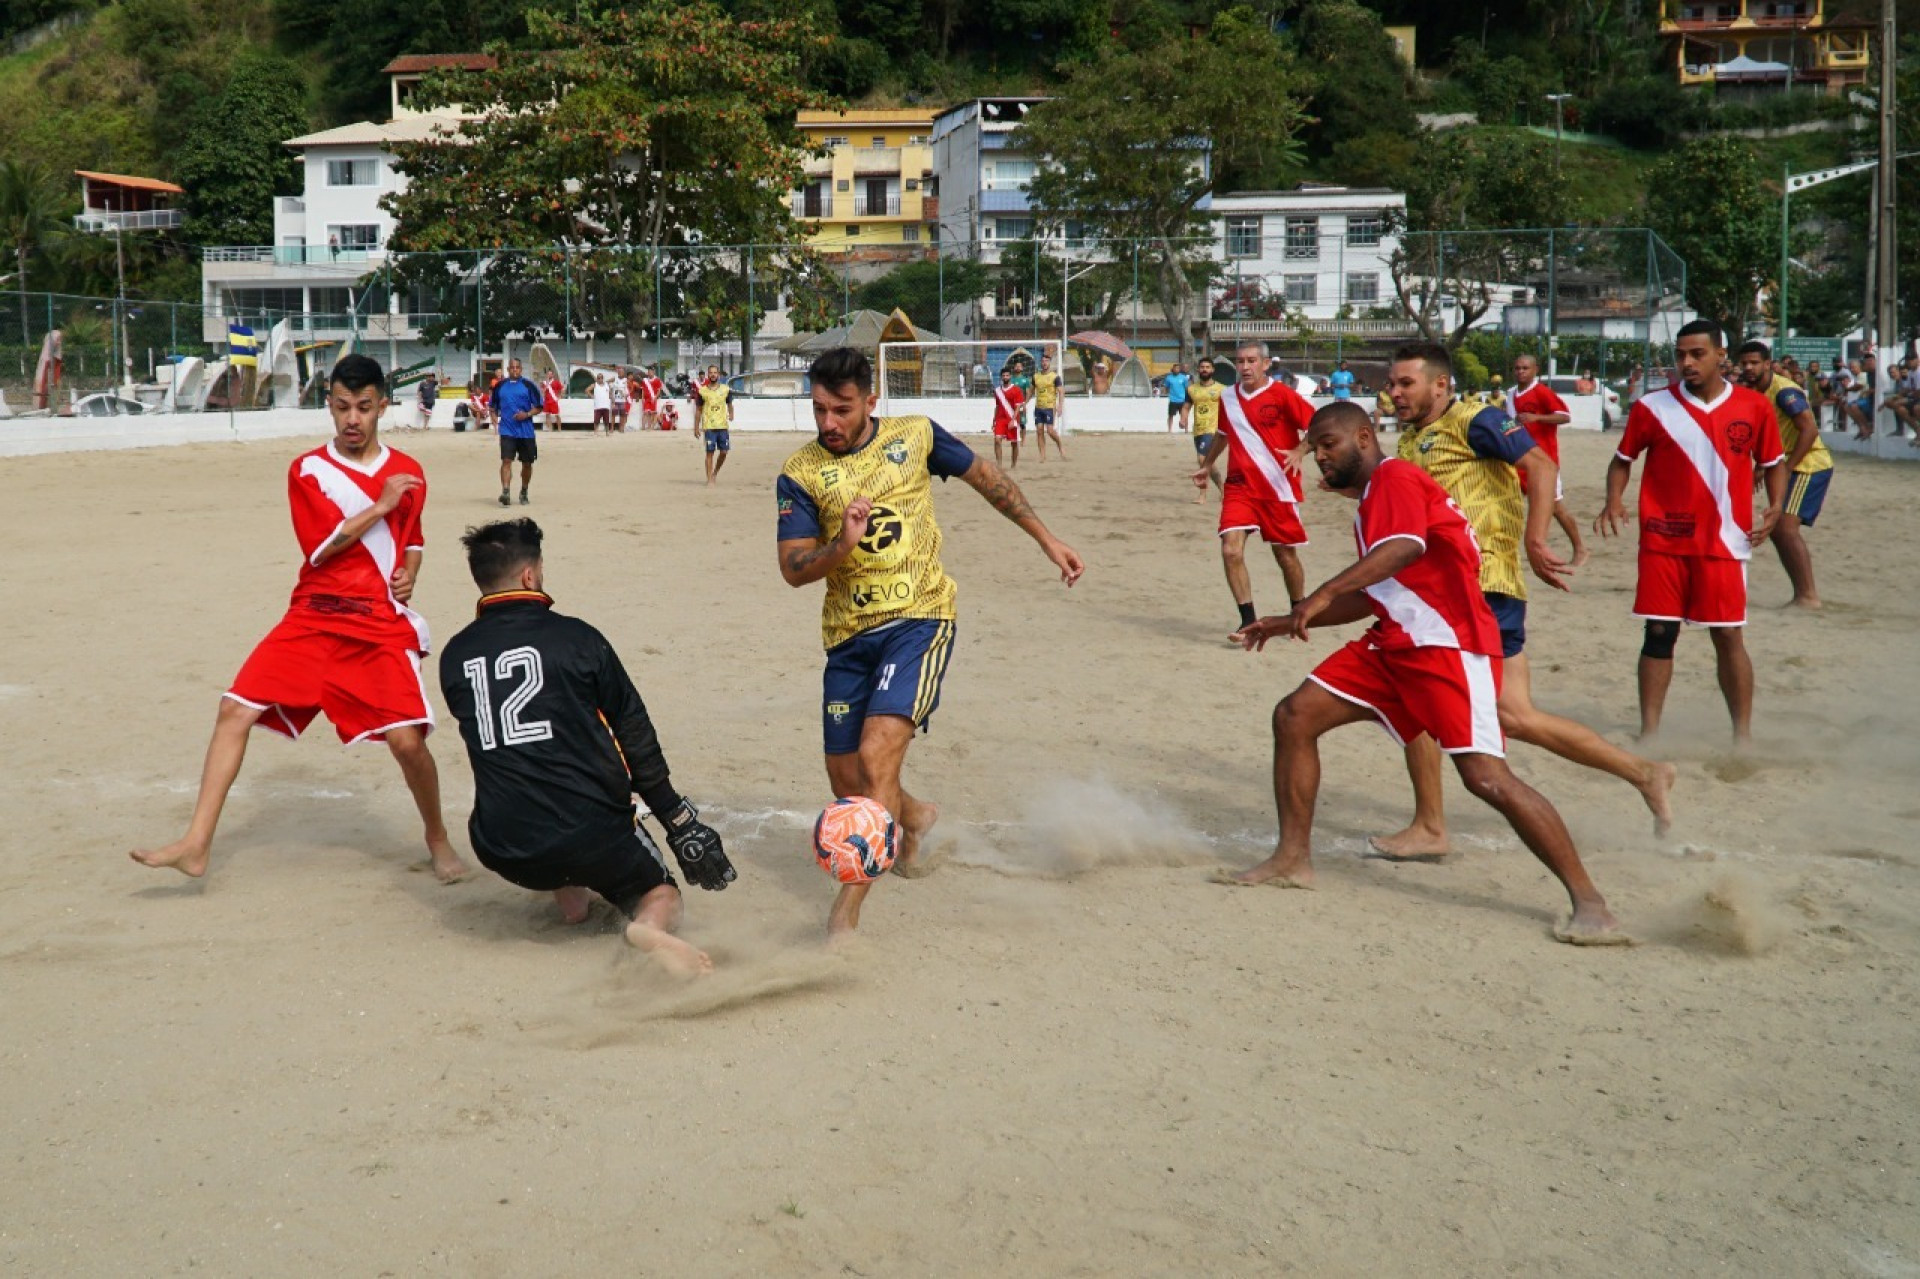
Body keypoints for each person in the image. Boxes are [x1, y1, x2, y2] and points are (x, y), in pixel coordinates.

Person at [1217, 401, 1626, 946]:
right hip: (1393, 643)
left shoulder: (1397, 478)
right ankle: (1292, 859)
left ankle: (1591, 903)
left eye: (1327, 445)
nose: (1318, 457)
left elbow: (1404, 549)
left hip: (1446, 645)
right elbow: (1376, 592)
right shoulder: (1373, 501)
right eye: (1314, 448)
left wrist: (1320, 594)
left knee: (1486, 779)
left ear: (1365, 438)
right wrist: (1291, 619)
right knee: (1295, 715)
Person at [776, 347, 1084, 937]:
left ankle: (845, 916)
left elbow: (987, 478)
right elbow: (792, 568)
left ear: (871, 402)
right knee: (848, 783)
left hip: (920, 618)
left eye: (841, 410)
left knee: (874, 757)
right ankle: (915, 818)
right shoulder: (801, 472)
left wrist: (1046, 539)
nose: (828, 424)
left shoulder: (914, 436)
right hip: (846, 636)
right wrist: (841, 545)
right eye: (819, 410)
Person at [130, 355, 470, 885]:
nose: (351, 419)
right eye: (340, 408)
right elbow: (323, 549)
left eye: (362, 407)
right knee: (233, 709)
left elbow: (415, 537)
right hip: (314, 612)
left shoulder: (409, 472)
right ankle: (195, 845)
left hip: (380, 620)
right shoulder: (308, 470)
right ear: (329, 407)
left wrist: (410, 569)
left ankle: (437, 839)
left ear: (383, 405)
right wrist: (379, 507)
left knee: (407, 741)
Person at [1372, 340, 1675, 860]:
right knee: (1514, 715)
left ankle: (1430, 825)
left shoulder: (1476, 419)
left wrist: (1536, 538)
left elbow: (1540, 467)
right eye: (1392, 384)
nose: (1394, 393)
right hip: (1462, 591)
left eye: (1406, 383)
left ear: (1440, 385)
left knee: (1418, 691)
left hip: (1478, 586)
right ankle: (1644, 771)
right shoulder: (1411, 440)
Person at [439, 519, 733, 975]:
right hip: (588, 833)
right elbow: (635, 735)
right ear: (529, 576)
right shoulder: (578, 638)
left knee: (529, 778)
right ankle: (648, 926)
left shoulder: (455, 655)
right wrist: (677, 821)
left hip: (501, 843)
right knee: (660, 893)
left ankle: (573, 905)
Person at [1597, 320, 1786, 742]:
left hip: (1724, 542)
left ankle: (1742, 735)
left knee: (1726, 634)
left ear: (1721, 356)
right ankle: (1649, 733)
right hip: (1663, 540)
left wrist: (1776, 507)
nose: (1687, 362)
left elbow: (1774, 464)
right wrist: (1614, 499)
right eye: (1680, 354)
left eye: (1697, 354)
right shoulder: (1652, 407)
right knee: (1659, 632)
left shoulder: (1754, 408)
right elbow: (1622, 459)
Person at [1191, 340, 1311, 627]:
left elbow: (1318, 425)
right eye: (1240, 361)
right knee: (1230, 549)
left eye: (1251, 361)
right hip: (1239, 487)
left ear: (1266, 364)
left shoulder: (1282, 395)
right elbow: (1223, 434)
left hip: (1277, 487)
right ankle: (1247, 621)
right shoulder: (1228, 397)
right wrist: (1207, 465)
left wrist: (1300, 450)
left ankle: (1299, 611)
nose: (1245, 367)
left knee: (1285, 554)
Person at [1735, 340, 1832, 611]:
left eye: (1754, 363)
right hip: (1784, 464)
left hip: (1808, 465)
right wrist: (1762, 467)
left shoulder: (1784, 391)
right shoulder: (1756, 392)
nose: (1748, 368)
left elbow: (1809, 430)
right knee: (1779, 530)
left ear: (1768, 364)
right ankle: (1804, 594)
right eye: (1744, 363)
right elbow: (1772, 434)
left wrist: (1786, 469)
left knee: (1784, 529)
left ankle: (1808, 596)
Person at [1508, 353, 1589, 567]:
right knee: (1507, 501)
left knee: (1555, 508)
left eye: (1525, 368)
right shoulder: (1510, 395)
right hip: (1520, 460)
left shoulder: (1542, 393)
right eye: (1517, 368)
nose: (1520, 372)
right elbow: (1510, 423)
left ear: (1535, 370)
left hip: (1545, 462)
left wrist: (1538, 418)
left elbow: (1565, 416)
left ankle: (1580, 548)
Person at [490, 357, 543, 507]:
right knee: (506, 460)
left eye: (517, 368)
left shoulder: (528, 385)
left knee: (527, 463)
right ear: (508, 369)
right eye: (512, 367)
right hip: (507, 430)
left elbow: (539, 407)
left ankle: (524, 491)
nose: (514, 370)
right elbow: (493, 406)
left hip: (526, 432)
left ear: (521, 369)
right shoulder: (500, 386)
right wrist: (493, 417)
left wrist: (526, 415)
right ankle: (505, 491)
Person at [1186, 357, 1225, 501]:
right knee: (1209, 463)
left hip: (1213, 429)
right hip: (1198, 430)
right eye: (1202, 367)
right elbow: (1186, 405)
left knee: (1202, 459)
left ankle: (1202, 495)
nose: (1204, 369)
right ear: (1198, 369)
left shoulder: (1222, 389)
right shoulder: (1191, 389)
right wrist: (1183, 418)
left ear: (1213, 370)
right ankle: (1223, 489)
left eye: (1208, 367)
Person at [693, 364, 733, 485]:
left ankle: (715, 472)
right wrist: (696, 427)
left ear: (718, 375)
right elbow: (699, 410)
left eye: (715, 373)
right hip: (709, 427)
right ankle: (709, 478)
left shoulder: (725, 389)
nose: (713, 375)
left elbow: (730, 404)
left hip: (722, 426)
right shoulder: (702, 391)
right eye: (711, 373)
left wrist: (731, 414)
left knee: (724, 452)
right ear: (707, 375)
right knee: (709, 452)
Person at [1031, 350, 1067, 461]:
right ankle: (1042, 455)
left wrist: (1060, 406)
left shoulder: (1055, 377)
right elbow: (1030, 391)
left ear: (1049, 363)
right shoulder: (1036, 376)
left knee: (1050, 431)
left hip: (1050, 407)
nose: (1044, 363)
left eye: (1046, 361)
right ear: (1040, 363)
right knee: (1039, 430)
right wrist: (1025, 402)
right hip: (1038, 407)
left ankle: (1060, 445)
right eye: (1042, 361)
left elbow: (1061, 391)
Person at [990, 363, 1025, 470]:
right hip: (1000, 419)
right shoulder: (997, 391)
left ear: (1010, 376)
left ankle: (1013, 465)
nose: (1005, 377)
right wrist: (994, 420)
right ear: (1001, 377)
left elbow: (1018, 407)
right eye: (1003, 376)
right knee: (997, 440)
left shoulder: (1016, 390)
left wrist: (1013, 420)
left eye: (1007, 375)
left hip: (1012, 419)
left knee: (1014, 443)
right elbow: (997, 405)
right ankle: (999, 464)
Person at [1164, 361, 1191, 433]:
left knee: (1184, 416)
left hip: (1182, 400)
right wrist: (1167, 393)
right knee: (1170, 415)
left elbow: (1186, 388)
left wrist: (1187, 397)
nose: (1177, 369)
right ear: (1172, 369)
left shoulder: (1183, 378)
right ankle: (1169, 430)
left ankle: (1186, 430)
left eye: (1178, 368)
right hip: (1173, 400)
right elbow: (1166, 387)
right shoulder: (1168, 378)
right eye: (1175, 368)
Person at [639, 366, 664, 430]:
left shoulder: (657, 380)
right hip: (646, 398)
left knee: (652, 413)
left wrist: (655, 397)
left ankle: (649, 426)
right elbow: (643, 390)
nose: (649, 373)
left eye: (650, 372)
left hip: (653, 398)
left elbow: (659, 390)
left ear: (653, 372)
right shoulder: (645, 380)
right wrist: (642, 398)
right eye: (648, 372)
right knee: (645, 412)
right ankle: (643, 426)